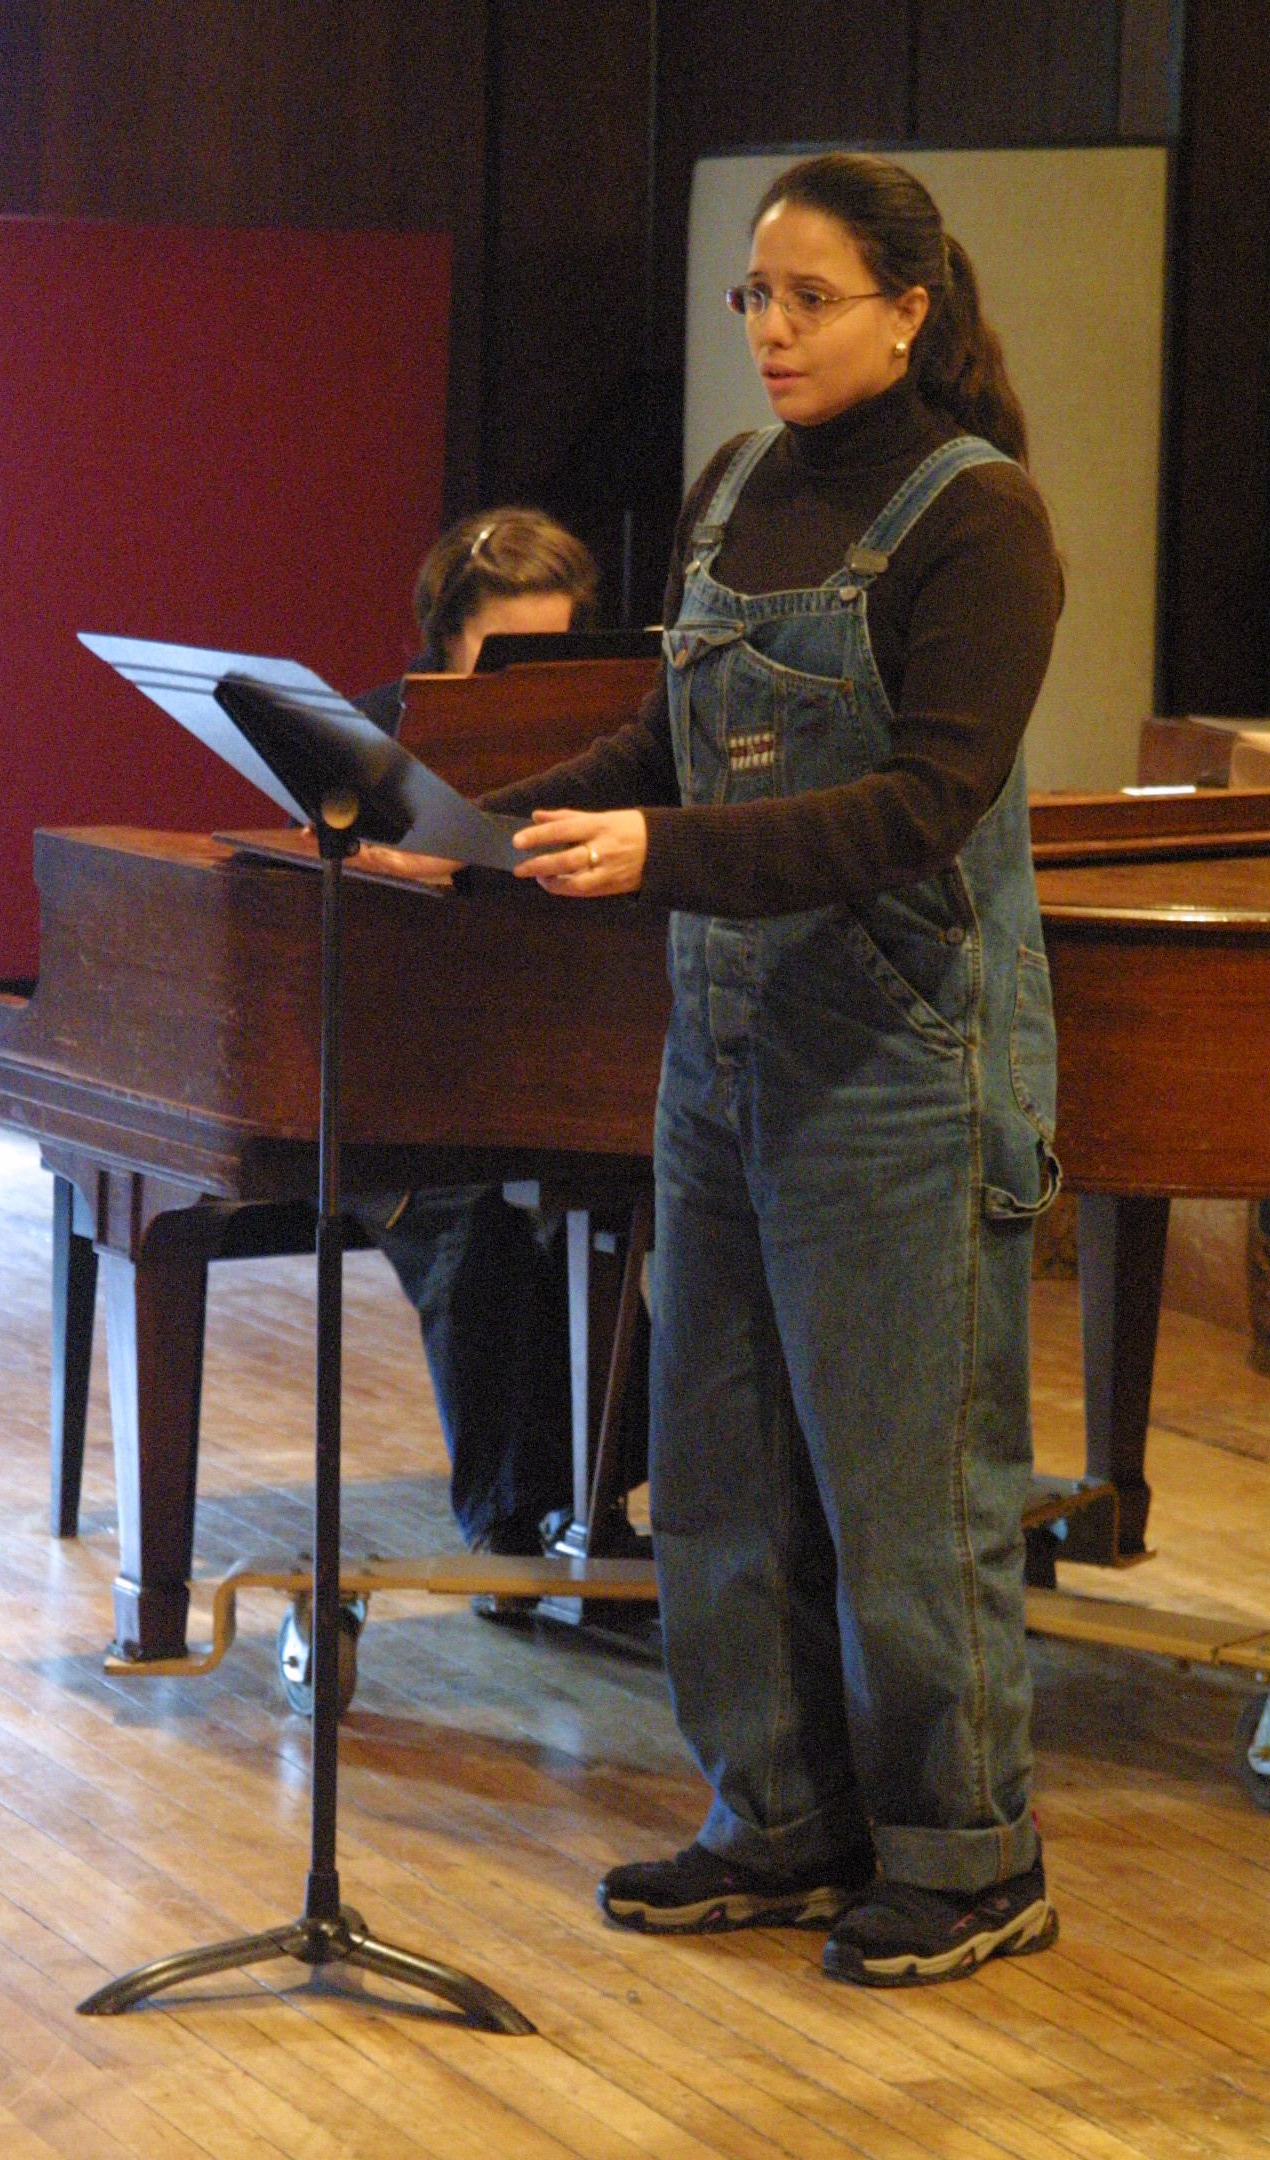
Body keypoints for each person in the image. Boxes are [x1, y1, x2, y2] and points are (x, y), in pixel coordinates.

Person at [400, 152, 1064, 1984]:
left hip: (902, 1060)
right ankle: (775, 1818)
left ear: (909, 312)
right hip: (725, 1051)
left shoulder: (980, 516)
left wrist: (659, 855)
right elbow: (664, 739)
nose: (770, 328)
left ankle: (969, 1853)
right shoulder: (736, 484)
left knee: (906, 1492)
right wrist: (474, 831)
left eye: (809, 297)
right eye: (753, 296)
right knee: (718, 1466)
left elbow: (926, 805)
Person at [350, 509, 614, 1560]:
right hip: (407, 1080)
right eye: (503, 657)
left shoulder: (610, 745)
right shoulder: (376, 742)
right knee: (478, 1220)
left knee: (658, 1213)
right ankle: (513, 1514)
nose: (530, 683)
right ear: (445, 641)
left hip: (569, 1064)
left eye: (555, 653)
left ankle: (616, 1487)